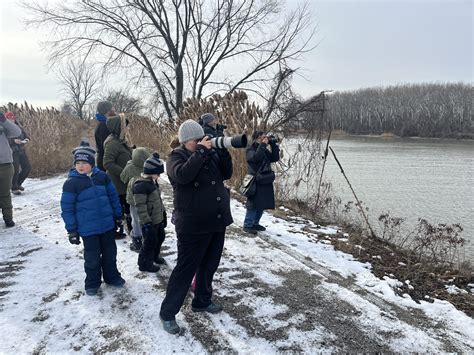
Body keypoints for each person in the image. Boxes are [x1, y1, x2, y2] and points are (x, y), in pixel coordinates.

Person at [159, 119, 233, 334]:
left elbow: (226, 174)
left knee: (209, 265)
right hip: (193, 224)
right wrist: (200, 152)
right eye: (195, 140)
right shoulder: (175, 158)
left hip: (216, 220)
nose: (200, 142)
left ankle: (202, 300)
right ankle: (167, 313)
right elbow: (183, 176)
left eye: (201, 139)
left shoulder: (208, 153)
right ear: (185, 141)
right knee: (185, 269)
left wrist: (223, 151)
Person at [60, 141, 125, 296]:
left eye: (85, 163)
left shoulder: (102, 177)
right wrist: (72, 230)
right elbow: (67, 209)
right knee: (92, 257)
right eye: (78, 163)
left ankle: (112, 277)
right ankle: (92, 283)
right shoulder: (71, 183)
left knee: (110, 253)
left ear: (92, 163)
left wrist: (117, 216)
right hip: (88, 230)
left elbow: (113, 197)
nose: (81, 166)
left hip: (107, 226)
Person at [130, 153, 167, 272]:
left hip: (158, 219)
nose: (160, 176)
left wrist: (163, 214)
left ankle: (155, 256)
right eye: (158, 173)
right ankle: (144, 263)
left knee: (159, 238)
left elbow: (157, 201)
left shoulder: (153, 183)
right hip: (149, 222)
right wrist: (146, 223)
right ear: (151, 172)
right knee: (149, 243)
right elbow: (140, 206)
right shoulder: (141, 185)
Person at [242, 130, 280, 235]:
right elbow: (256, 158)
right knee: (253, 204)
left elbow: (275, 158)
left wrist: (273, 144)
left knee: (262, 203)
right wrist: (263, 144)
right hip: (255, 180)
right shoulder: (250, 149)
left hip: (265, 179)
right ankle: (247, 224)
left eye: (265, 138)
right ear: (257, 138)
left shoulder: (264, 149)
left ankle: (255, 223)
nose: (265, 140)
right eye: (263, 138)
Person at [103, 114, 133, 239]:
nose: (128, 128)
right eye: (125, 126)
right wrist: (124, 172)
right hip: (118, 183)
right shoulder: (112, 143)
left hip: (124, 182)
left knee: (127, 206)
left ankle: (130, 228)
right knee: (120, 207)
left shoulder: (120, 140)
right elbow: (107, 163)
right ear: (118, 127)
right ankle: (118, 230)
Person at [120, 147, 152, 252]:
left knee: (135, 219)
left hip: (133, 198)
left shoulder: (130, 167)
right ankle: (148, 235)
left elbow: (123, 178)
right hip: (148, 197)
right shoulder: (150, 166)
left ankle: (137, 240)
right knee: (148, 216)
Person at [0, 111, 21, 227]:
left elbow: (17, 132)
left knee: (4, 194)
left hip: (5, 164)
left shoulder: (2, 123)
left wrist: (3, 120)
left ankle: (8, 218)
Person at [5, 112, 31, 195]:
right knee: (15, 170)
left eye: (12, 118)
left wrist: (26, 140)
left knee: (27, 168)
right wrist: (13, 141)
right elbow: (4, 140)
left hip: (21, 150)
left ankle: (18, 183)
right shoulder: (4, 128)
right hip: (12, 151)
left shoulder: (19, 127)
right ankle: (14, 188)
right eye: (9, 118)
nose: (11, 120)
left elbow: (26, 136)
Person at [94, 101, 113, 171]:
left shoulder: (104, 123)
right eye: (113, 108)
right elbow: (106, 147)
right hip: (105, 162)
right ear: (108, 111)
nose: (114, 110)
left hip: (103, 160)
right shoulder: (104, 126)